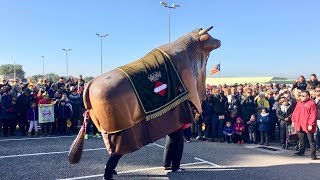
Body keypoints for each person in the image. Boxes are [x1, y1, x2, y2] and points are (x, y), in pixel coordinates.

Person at [292, 90, 317, 160]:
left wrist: (310, 124)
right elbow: (295, 112)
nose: (301, 97)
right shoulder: (299, 103)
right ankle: (301, 151)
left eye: (303, 96)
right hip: (299, 124)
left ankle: (313, 155)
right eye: (300, 96)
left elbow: (313, 115)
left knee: (311, 140)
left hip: (307, 124)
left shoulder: (312, 103)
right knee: (301, 139)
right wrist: (293, 121)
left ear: (308, 96)